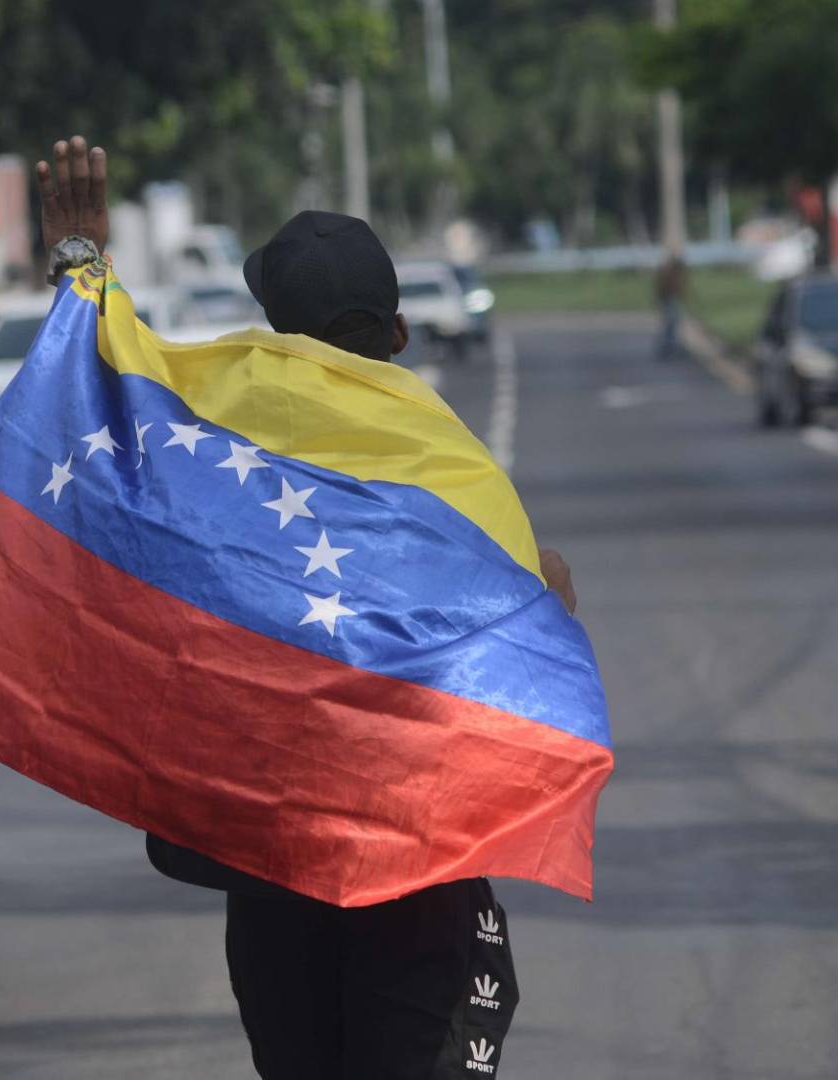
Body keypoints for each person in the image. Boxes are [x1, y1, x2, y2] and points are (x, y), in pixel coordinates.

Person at [36, 134, 579, 1079]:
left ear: (269, 329)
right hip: (418, 870)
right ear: (400, 336)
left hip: (269, 864)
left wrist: (82, 261)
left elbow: (96, 401)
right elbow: (539, 627)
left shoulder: (211, 432)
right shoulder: (450, 461)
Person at [654, 254, 686, 362]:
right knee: (671, 323)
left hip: (669, 300)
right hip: (668, 300)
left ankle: (669, 346)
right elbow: (670, 289)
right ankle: (669, 347)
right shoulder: (669, 274)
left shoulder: (669, 273)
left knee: (671, 323)